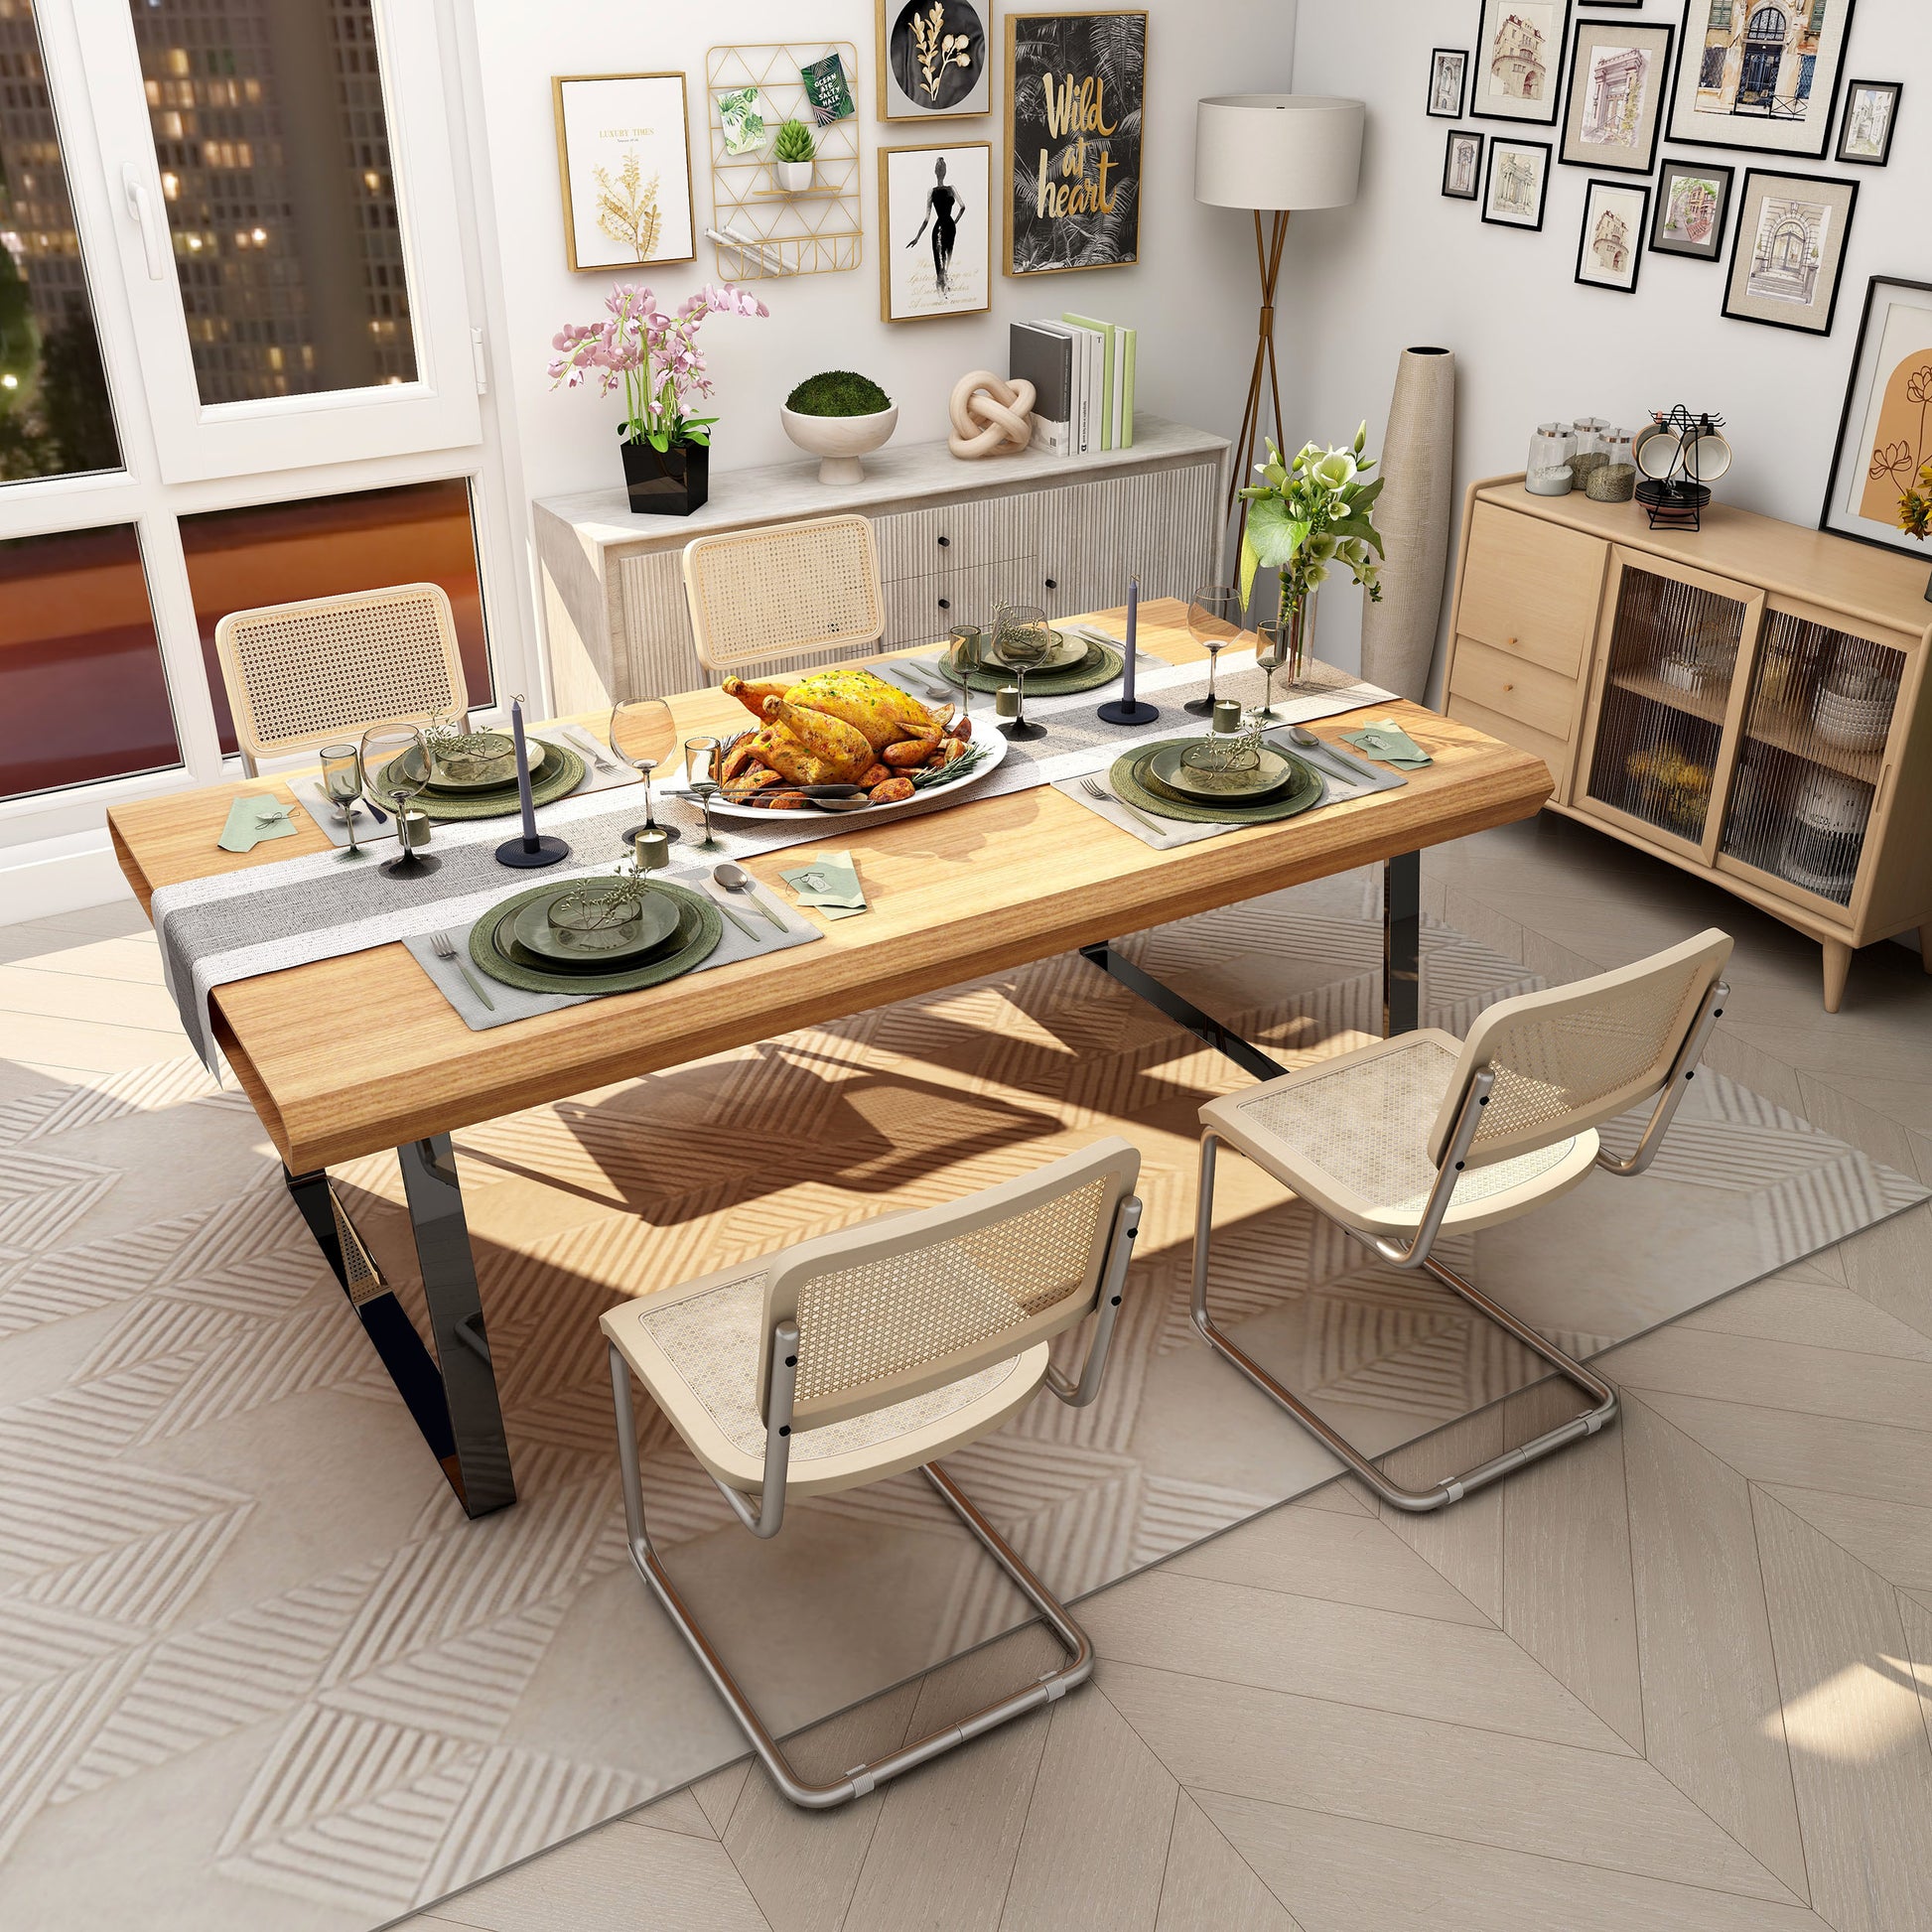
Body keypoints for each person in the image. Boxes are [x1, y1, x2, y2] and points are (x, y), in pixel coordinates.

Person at [906, 155, 963, 295]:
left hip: (938, 228)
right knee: (947, 262)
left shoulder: (931, 191)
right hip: (950, 226)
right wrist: (953, 222)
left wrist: (917, 237)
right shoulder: (952, 188)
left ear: (935, 172)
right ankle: (946, 294)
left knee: (940, 264)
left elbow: (926, 219)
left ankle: (942, 295)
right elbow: (962, 207)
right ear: (945, 171)